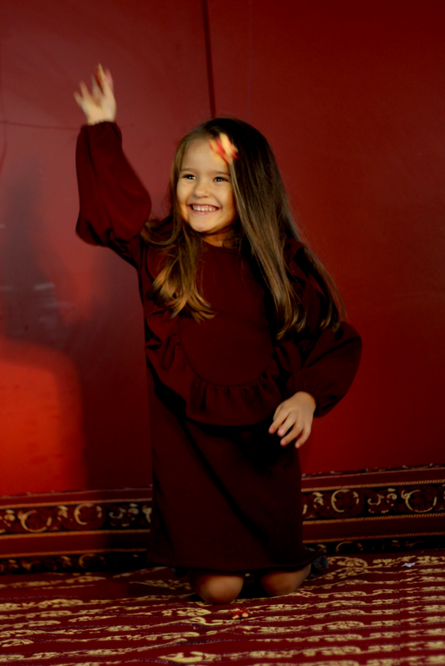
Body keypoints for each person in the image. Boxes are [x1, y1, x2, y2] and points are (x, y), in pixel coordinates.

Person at [74, 66, 362, 604]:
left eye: (219, 178)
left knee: (279, 581)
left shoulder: (281, 265)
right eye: (189, 176)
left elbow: (332, 337)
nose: (200, 191)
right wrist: (101, 130)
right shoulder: (162, 254)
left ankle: (303, 561)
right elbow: (115, 214)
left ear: (250, 188)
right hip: (192, 454)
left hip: (261, 446)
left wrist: (306, 396)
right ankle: (216, 563)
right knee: (219, 590)